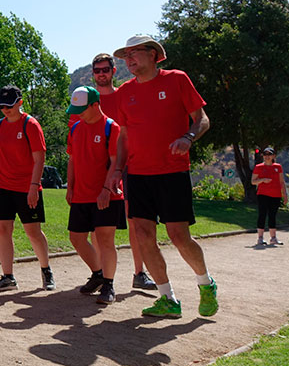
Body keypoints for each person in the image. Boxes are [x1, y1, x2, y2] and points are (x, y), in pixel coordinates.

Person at [107, 34, 217, 318]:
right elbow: (124, 135)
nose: (129, 59)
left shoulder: (177, 79)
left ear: (154, 54)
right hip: (138, 175)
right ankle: (168, 298)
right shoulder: (124, 93)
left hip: (172, 172)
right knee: (143, 235)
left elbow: (202, 119)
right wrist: (116, 170)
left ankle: (206, 283)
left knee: (179, 236)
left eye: (135, 53)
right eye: (126, 55)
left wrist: (188, 138)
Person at [88, 53, 156, 291]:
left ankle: (139, 272)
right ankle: (101, 275)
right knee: (97, 225)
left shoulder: (125, 95)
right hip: (97, 170)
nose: (101, 74)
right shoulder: (88, 100)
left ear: (113, 71)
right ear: (92, 73)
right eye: (97, 70)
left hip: (128, 166)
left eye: (105, 69)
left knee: (135, 221)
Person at [0, 85, 54, 292]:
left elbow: (39, 159)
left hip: (27, 187)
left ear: (20, 103)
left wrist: (34, 187)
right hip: (3, 186)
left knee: (33, 231)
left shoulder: (31, 125)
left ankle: (46, 269)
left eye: (9, 105)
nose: (5, 109)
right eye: (2, 106)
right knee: (2, 229)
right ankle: (8, 276)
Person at [65, 86, 126, 305]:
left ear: (95, 104)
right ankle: (98, 273)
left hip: (107, 196)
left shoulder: (111, 127)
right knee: (76, 237)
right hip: (81, 194)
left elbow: (115, 162)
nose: (77, 113)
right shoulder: (75, 129)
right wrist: (70, 187)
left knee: (104, 238)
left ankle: (109, 284)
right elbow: (72, 160)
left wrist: (106, 190)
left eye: (82, 109)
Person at [251, 147, 286, 246]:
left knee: (272, 216)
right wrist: (262, 180)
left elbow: (281, 182)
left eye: (269, 155)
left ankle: (273, 238)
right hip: (263, 194)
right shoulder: (259, 167)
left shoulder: (278, 167)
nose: (267, 157)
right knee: (262, 215)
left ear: (273, 156)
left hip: (276, 195)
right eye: (265, 155)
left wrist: (285, 195)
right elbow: (253, 181)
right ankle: (260, 238)